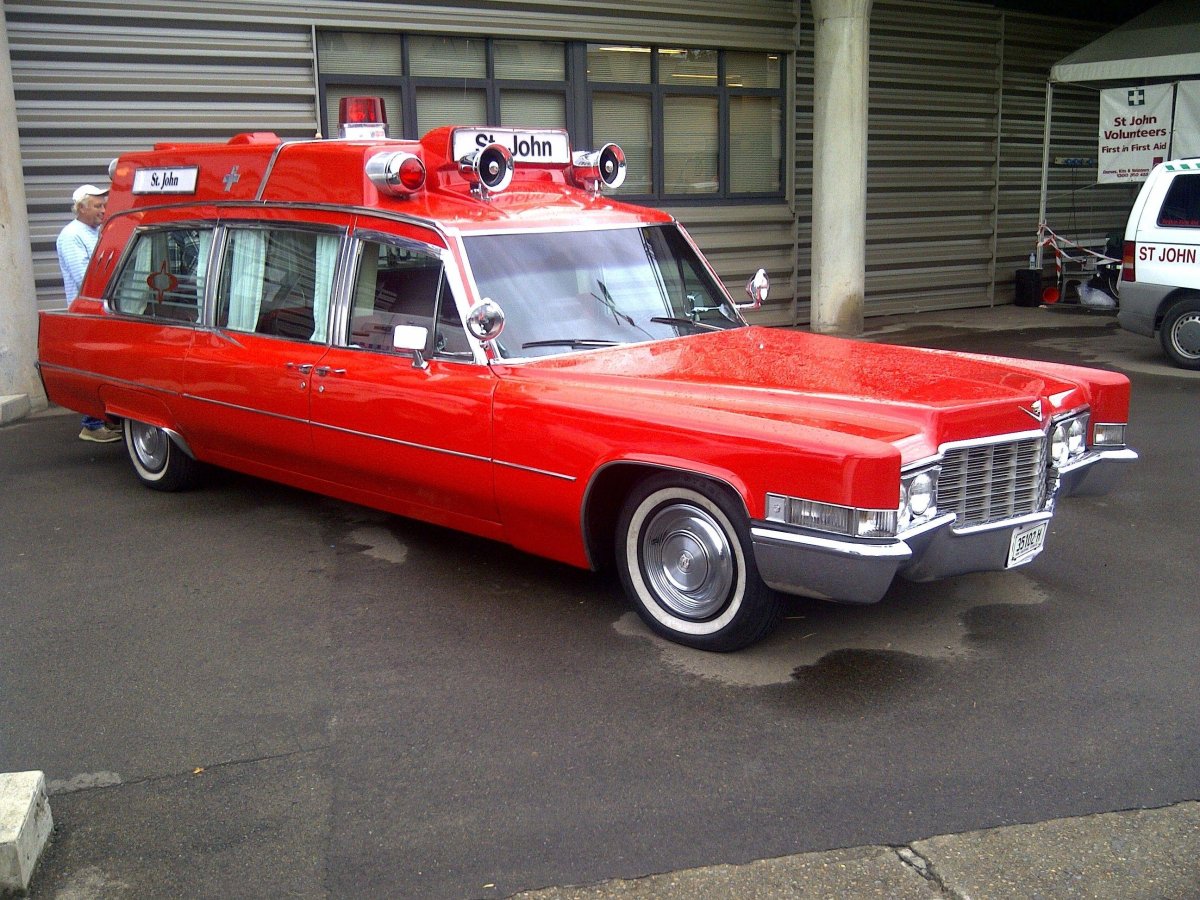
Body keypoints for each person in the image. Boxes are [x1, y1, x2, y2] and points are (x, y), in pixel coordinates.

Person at [56, 183, 121, 442]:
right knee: (92, 368)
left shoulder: (95, 232)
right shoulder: (72, 235)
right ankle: (92, 424)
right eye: (97, 206)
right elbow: (85, 277)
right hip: (85, 312)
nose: (103, 210)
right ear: (81, 208)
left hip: (101, 310)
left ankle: (103, 419)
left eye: (104, 205)